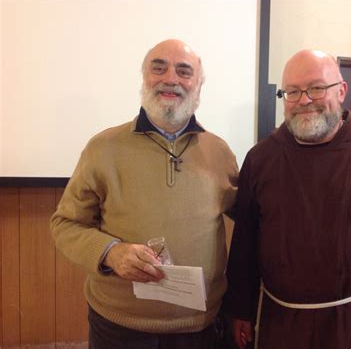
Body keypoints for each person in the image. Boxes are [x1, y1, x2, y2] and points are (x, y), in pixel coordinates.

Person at [223, 49, 351, 349]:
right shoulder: (261, 159)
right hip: (282, 327)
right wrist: (240, 310)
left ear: (342, 90)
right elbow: (245, 245)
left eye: (317, 88)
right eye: (292, 92)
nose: (304, 100)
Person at [50, 39, 238, 349]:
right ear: (144, 78)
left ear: (198, 87)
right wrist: (110, 252)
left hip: (200, 328)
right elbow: (65, 224)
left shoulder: (219, 153)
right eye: (159, 67)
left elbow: (253, 218)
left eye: (184, 71)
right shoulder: (103, 148)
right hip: (119, 327)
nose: (170, 79)